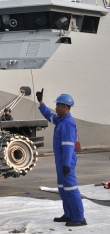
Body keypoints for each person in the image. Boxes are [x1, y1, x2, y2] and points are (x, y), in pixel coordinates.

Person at [36, 88, 86, 227]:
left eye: (58, 105)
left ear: (65, 107)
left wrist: (66, 164)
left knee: (71, 188)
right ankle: (69, 214)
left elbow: (69, 146)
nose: (56, 107)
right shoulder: (61, 120)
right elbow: (49, 115)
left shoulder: (68, 123)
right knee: (63, 188)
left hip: (66, 160)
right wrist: (41, 102)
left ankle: (78, 217)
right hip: (61, 160)